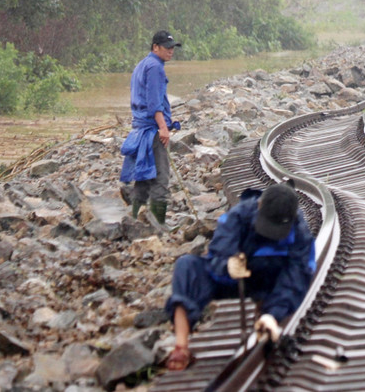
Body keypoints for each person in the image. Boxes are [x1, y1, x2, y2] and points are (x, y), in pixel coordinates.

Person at [163, 183, 316, 370]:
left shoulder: (299, 232)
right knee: (186, 265)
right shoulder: (239, 215)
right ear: (259, 206)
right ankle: (181, 347)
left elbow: (296, 277)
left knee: (294, 279)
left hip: (269, 282)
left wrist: (273, 315)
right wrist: (228, 264)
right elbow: (218, 253)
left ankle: (267, 318)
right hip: (233, 279)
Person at [120, 30, 182, 225]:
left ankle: (135, 221)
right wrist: (163, 128)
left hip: (140, 128)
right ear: (155, 47)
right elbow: (154, 102)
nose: (171, 51)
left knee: (144, 177)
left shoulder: (142, 65)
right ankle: (157, 226)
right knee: (161, 179)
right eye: (167, 47)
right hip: (153, 129)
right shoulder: (155, 67)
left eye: (173, 48)